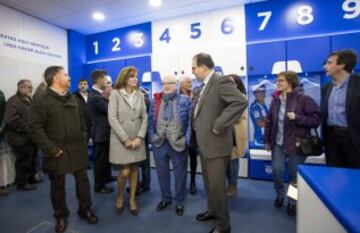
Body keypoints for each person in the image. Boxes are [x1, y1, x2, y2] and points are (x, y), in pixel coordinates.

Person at [29, 66, 98, 233]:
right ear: (55, 78)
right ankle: (60, 215)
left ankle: (85, 210)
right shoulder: (41, 100)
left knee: (83, 181)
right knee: (57, 185)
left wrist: (82, 138)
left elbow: (82, 120)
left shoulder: (72, 97)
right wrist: (51, 149)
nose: (69, 77)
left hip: (77, 147)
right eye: (65, 75)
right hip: (56, 151)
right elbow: (34, 128)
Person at [192, 53, 247, 233]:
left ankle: (224, 226)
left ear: (204, 67)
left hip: (216, 144)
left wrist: (219, 124)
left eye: (194, 68)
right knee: (209, 184)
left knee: (217, 187)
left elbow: (240, 101)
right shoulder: (203, 86)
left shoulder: (220, 81)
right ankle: (213, 211)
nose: (192, 72)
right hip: (206, 145)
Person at [265, 71, 321, 216]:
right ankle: (280, 193)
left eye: (281, 80)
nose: (277, 83)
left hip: (296, 143)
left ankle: (292, 201)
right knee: (277, 170)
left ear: (290, 82)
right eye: (277, 80)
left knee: (294, 175)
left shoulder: (303, 99)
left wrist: (298, 117)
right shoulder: (275, 100)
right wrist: (266, 141)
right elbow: (269, 122)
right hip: (278, 143)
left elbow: (316, 120)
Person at [148, 74, 192, 216]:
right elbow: (150, 121)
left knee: (180, 174)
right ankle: (165, 198)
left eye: (170, 83)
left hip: (178, 142)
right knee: (162, 173)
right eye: (164, 83)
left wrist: (186, 140)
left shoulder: (185, 100)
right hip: (159, 142)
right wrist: (152, 137)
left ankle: (179, 200)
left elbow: (191, 123)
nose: (167, 85)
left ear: (176, 84)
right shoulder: (155, 100)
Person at [108, 66, 148, 216]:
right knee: (124, 172)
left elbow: (144, 117)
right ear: (124, 78)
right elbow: (112, 118)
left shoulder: (139, 94)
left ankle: (132, 200)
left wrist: (140, 137)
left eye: (136, 76)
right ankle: (119, 195)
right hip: (121, 140)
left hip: (137, 140)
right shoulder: (115, 94)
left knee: (134, 169)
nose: (135, 78)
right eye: (132, 76)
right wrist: (125, 140)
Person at [321, 49, 360, 168]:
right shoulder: (326, 88)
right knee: (334, 176)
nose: (324, 66)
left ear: (341, 65)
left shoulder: (358, 84)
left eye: (329, 63)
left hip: (353, 140)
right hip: (331, 140)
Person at [5, 79, 38, 191]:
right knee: (23, 162)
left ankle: (31, 179)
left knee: (31, 159)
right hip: (19, 139)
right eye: (29, 87)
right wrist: (28, 129)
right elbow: (12, 120)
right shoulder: (13, 101)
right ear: (21, 88)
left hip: (29, 137)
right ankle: (22, 183)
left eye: (31, 87)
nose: (31, 89)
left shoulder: (28, 99)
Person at [88, 69, 114, 193]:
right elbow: (110, 110)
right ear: (99, 80)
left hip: (105, 132)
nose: (106, 82)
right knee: (100, 161)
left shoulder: (97, 94)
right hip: (100, 133)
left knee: (106, 158)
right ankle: (99, 185)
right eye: (104, 79)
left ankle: (107, 177)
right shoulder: (95, 97)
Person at [225, 74, 248, 197]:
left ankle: (233, 186)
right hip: (225, 133)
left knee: (233, 161)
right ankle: (229, 184)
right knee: (226, 161)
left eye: (231, 82)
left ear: (237, 84)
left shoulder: (240, 97)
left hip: (235, 133)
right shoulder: (224, 97)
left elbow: (237, 118)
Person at [179, 75, 198, 195]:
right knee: (181, 160)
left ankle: (192, 182)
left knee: (193, 158)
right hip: (181, 132)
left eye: (191, 82)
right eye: (188, 82)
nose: (190, 83)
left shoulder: (195, 94)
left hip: (194, 133)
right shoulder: (176, 95)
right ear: (181, 83)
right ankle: (181, 184)